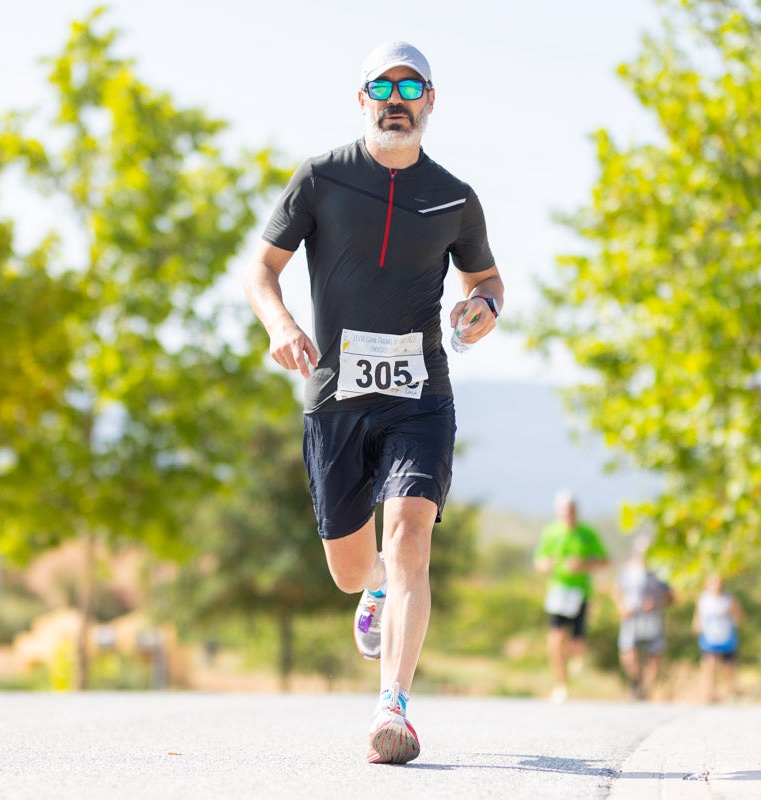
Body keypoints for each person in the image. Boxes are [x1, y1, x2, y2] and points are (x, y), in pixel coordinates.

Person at [243, 40, 504, 765]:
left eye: (410, 86)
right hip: (335, 400)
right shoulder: (321, 178)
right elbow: (261, 271)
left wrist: (481, 309)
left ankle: (393, 707)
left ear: (429, 101)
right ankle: (377, 591)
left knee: (411, 538)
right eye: (381, 86)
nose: (396, 98)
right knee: (353, 570)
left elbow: (488, 280)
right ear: (361, 101)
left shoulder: (454, 195)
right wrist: (283, 324)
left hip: (420, 396)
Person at [533, 491, 609, 702]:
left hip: (580, 593)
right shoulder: (551, 532)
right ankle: (560, 684)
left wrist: (583, 565)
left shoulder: (587, 533)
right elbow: (539, 561)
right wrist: (546, 565)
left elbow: (604, 561)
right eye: (564, 510)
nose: (568, 514)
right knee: (556, 638)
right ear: (558, 511)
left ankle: (576, 659)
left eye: (571, 510)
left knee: (577, 644)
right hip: (557, 591)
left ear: (576, 510)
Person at [612, 542, 673, 700]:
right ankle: (635, 681)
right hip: (631, 617)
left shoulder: (661, 572)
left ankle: (646, 690)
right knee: (628, 652)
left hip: (653, 618)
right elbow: (616, 589)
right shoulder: (628, 571)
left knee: (655, 654)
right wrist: (621, 606)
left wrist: (656, 603)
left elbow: (671, 597)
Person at [693, 573, 743, 703]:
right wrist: (697, 628)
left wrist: (731, 614)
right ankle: (708, 695)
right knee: (709, 666)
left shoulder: (729, 599)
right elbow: (698, 619)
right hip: (709, 638)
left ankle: (731, 694)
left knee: (728, 668)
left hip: (726, 637)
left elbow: (739, 619)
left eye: (718, 583)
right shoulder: (703, 599)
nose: (716, 586)